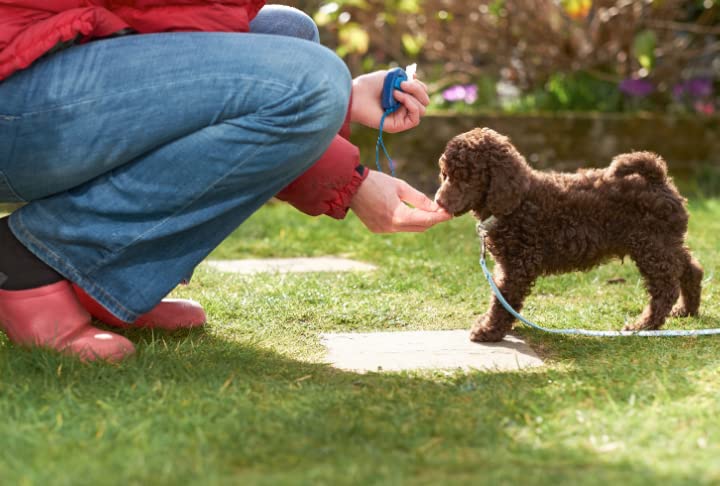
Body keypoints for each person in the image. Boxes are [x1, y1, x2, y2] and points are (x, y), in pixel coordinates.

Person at [0, 1, 451, 362]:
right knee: (312, 81)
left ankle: (100, 279)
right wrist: (347, 153)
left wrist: (344, 122)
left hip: (42, 64)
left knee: (287, 32)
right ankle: (29, 260)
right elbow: (179, 28)